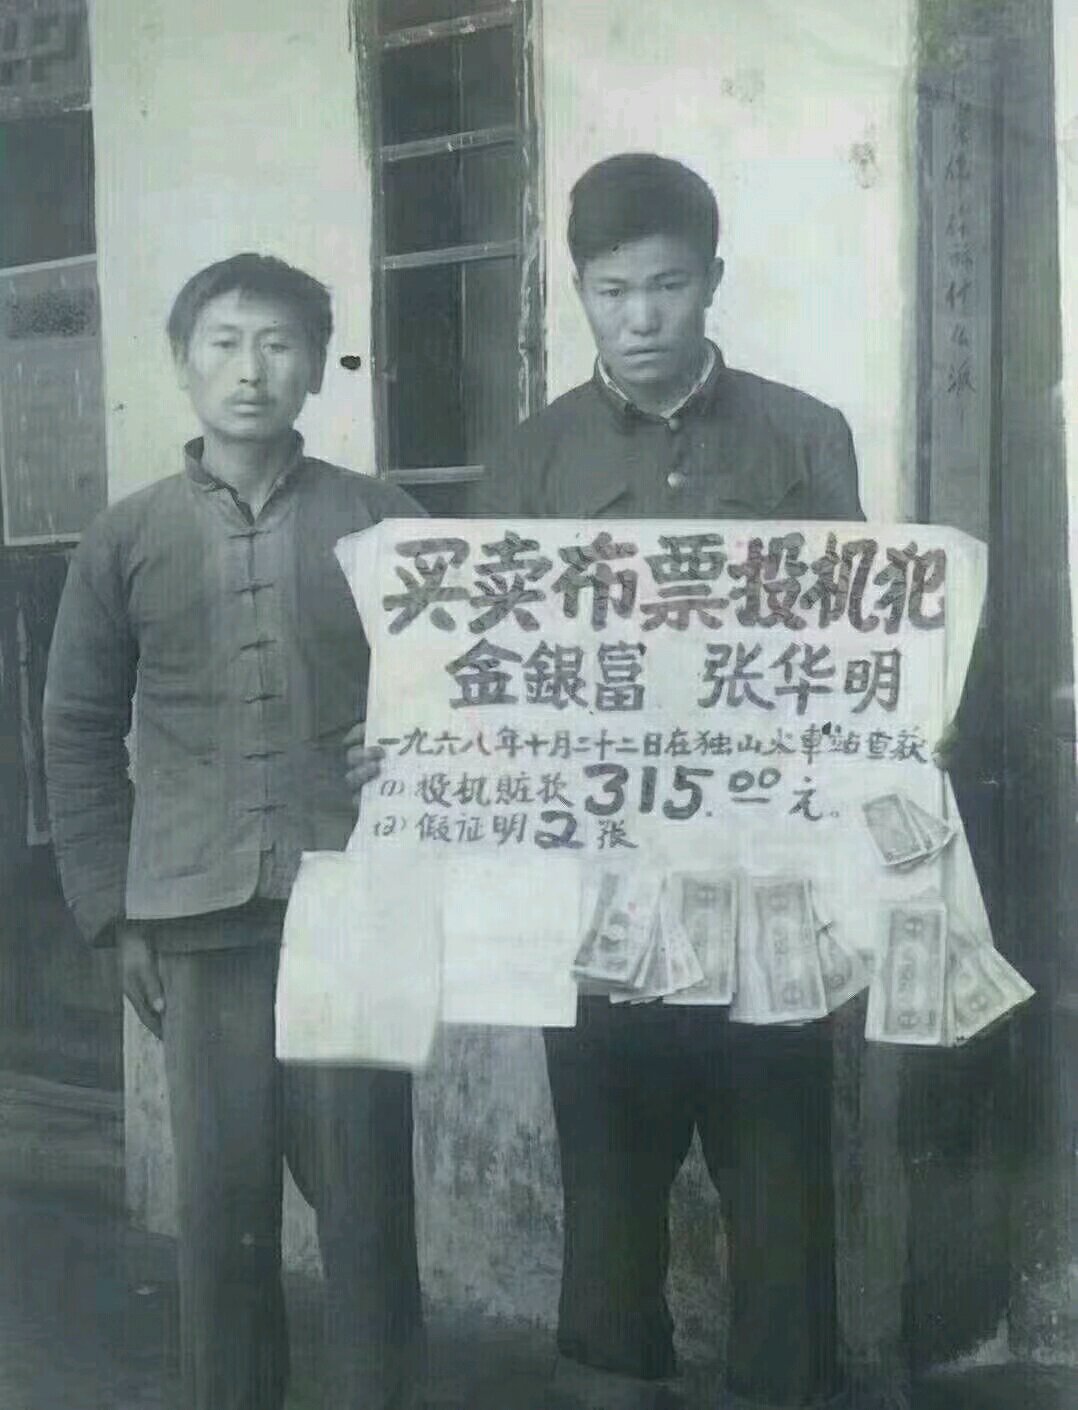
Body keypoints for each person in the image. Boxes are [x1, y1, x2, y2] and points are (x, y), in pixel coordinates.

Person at [350, 153, 902, 1410]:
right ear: (580, 293)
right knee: (606, 1198)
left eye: (666, 286)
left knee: (781, 1192)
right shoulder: (533, 459)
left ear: (712, 280)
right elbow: (488, 672)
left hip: (766, 888)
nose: (641, 317)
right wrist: (420, 750)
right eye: (611, 291)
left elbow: (863, 651)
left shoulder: (803, 435)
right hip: (595, 893)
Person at [44, 254, 425, 1410]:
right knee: (219, 1217)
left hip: (352, 910)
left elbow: (455, 704)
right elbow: (76, 731)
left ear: (315, 366)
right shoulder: (125, 537)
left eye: (277, 343)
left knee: (368, 1209)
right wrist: (115, 914)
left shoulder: (384, 522)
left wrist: (402, 750)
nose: (249, 369)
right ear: (181, 362)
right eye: (223, 342)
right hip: (194, 922)